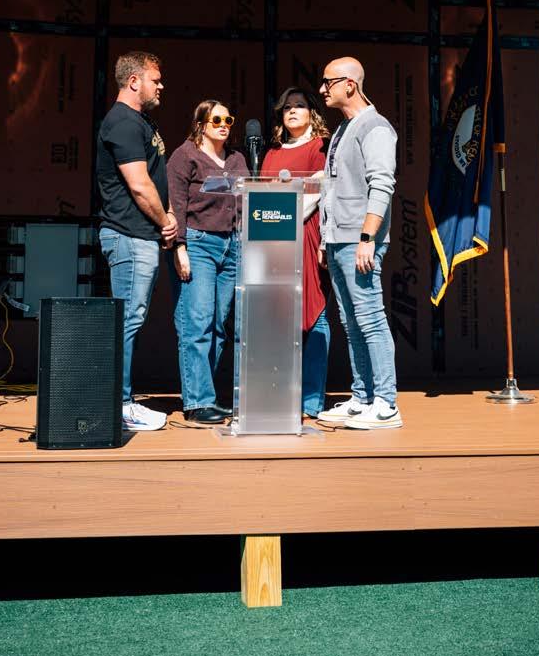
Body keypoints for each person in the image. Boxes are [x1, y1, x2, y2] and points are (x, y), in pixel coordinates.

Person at [316, 57, 401, 430]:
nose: (322, 89)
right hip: (338, 240)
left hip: (358, 241)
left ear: (349, 84)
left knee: (370, 319)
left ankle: (386, 404)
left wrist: (367, 237)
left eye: (328, 82)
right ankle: (362, 397)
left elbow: (381, 184)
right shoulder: (343, 128)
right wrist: (326, 237)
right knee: (351, 323)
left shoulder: (375, 127)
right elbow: (333, 187)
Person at [96, 50, 176, 432]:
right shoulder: (123, 123)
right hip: (129, 236)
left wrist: (167, 214)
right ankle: (121, 405)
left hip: (140, 236)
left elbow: (155, 178)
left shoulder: (140, 121)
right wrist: (165, 222)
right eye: (155, 80)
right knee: (127, 321)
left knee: (131, 319)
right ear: (133, 81)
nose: (161, 86)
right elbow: (140, 185)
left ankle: (121, 401)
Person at [167, 100, 249, 424]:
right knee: (197, 323)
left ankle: (205, 396)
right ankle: (197, 402)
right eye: (216, 120)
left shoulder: (237, 158)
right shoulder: (185, 156)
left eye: (228, 119)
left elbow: (248, 198)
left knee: (217, 326)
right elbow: (176, 203)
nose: (224, 125)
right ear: (201, 123)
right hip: (199, 244)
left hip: (232, 246)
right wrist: (179, 247)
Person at [260, 86, 331, 419]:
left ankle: (311, 401)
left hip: (305, 235)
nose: (292, 111)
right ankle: (278, 397)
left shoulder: (320, 147)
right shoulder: (272, 152)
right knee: (277, 316)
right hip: (272, 243)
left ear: (311, 112)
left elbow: (318, 192)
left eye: (300, 106)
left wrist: (281, 212)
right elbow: (260, 195)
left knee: (314, 314)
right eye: (287, 107)